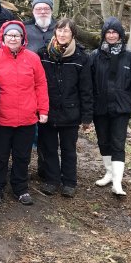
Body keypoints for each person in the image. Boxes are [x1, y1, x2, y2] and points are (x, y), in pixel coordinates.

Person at [0, 21, 48, 207]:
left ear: (23, 38)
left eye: (17, 35)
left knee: (22, 156)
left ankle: (20, 188)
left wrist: (43, 110)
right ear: (3, 38)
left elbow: (41, 85)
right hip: (0, 117)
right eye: (10, 35)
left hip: (27, 118)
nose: (13, 38)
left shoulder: (33, 58)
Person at [38, 19, 93, 198]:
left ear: (73, 34)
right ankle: (52, 180)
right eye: (60, 31)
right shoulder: (43, 54)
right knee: (49, 148)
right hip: (48, 111)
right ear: (55, 32)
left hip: (71, 112)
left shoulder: (81, 57)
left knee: (69, 149)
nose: (62, 34)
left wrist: (86, 117)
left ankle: (69, 182)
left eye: (66, 31)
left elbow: (86, 89)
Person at [91, 17, 131, 196]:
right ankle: (109, 173)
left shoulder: (129, 57)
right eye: (108, 32)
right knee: (103, 141)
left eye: (115, 32)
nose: (111, 35)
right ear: (103, 34)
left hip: (122, 108)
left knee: (118, 143)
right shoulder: (95, 56)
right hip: (100, 107)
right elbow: (88, 83)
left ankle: (118, 183)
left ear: (120, 35)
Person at [24, 0, 57, 180]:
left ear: (51, 11)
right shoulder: (26, 29)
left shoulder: (59, 28)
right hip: (29, 87)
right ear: (33, 11)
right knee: (28, 132)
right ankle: (24, 168)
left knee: (48, 134)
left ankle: (45, 170)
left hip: (54, 88)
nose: (42, 11)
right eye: (39, 8)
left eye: (46, 8)